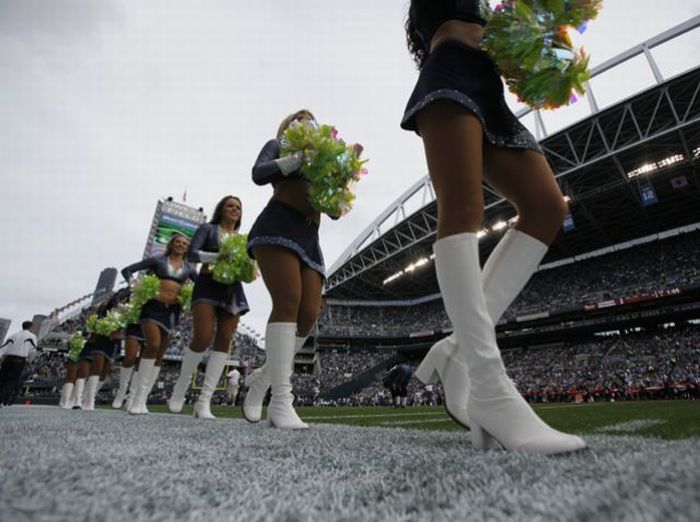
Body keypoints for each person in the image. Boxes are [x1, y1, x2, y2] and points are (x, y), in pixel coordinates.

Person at [403, 1, 585, 454]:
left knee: (547, 207)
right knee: (464, 206)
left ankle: (455, 350)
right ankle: (488, 386)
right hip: (449, 73)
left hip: (489, 84)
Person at [242, 110, 330, 430]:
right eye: (300, 118)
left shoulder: (324, 157)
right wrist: (297, 158)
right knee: (288, 300)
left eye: (311, 119)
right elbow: (259, 173)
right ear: (288, 125)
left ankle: (262, 380)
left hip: (310, 237)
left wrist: (337, 182)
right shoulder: (277, 145)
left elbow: (333, 211)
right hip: (279, 224)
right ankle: (281, 400)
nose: (306, 122)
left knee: (309, 312)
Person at [167, 197, 250, 419]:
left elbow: (247, 264)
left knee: (224, 341)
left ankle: (204, 401)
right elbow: (192, 254)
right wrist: (219, 256)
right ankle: (180, 388)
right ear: (221, 209)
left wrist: (249, 267)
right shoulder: (208, 229)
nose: (234, 209)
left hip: (232, 290)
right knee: (202, 337)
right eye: (230, 205)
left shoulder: (241, 239)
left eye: (238, 207)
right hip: (207, 285)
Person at [120, 234, 198, 415]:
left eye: (184, 243)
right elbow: (127, 270)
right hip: (152, 308)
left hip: (172, 312)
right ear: (172, 244)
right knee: (153, 345)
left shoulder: (188, 268)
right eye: (178, 242)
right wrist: (136, 286)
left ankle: (141, 398)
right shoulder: (158, 260)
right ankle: (136, 398)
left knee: (160, 354)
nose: (181, 245)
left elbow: (202, 286)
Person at [80, 289, 128, 411]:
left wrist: (120, 333)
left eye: (125, 298)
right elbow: (95, 322)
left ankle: (88, 395)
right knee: (98, 366)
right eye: (122, 297)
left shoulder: (128, 310)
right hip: (102, 337)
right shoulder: (106, 307)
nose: (124, 299)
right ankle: (90, 400)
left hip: (115, 341)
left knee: (105, 371)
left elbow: (128, 326)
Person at [112, 299, 146, 409]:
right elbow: (115, 302)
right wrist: (127, 308)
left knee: (142, 363)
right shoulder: (129, 290)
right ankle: (121, 392)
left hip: (151, 322)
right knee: (130, 357)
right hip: (134, 325)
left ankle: (131, 398)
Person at [0, 321, 37, 406]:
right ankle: (2, 400)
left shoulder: (13, 335)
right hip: (19, 360)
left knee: (2, 379)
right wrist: (30, 360)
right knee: (11, 381)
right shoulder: (32, 336)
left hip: (8, 359)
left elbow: (3, 347)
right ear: (30, 327)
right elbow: (33, 350)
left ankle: (2, 399)